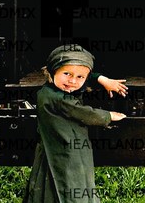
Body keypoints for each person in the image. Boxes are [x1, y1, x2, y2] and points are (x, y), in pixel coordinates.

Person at [23, 44, 127, 203]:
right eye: (67, 74)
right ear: (52, 71)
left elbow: (82, 73)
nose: (72, 81)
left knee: (47, 181)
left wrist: (102, 79)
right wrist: (109, 116)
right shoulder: (58, 99)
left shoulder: (50, 89)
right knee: (68, 181)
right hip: (65, 153)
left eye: (80, 77)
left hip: (54, 147)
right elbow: (85, 113)